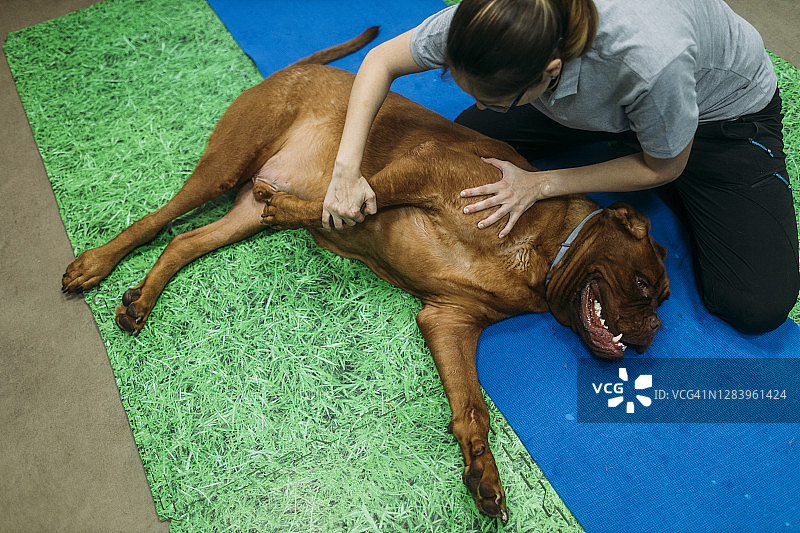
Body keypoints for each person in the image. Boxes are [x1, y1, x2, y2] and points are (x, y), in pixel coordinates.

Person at [321, 0, 799, 334]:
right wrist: (346, 168)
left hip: (722, 117)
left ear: (548, 72)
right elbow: (382, 60)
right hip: (611, 103)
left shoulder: (649, 59)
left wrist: (539, 184)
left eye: (496, 97)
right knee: (472, 137)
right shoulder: (498, 17)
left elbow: (664, 166)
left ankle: (657, 156)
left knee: (754, 305)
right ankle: (617, 136)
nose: (483, 103)